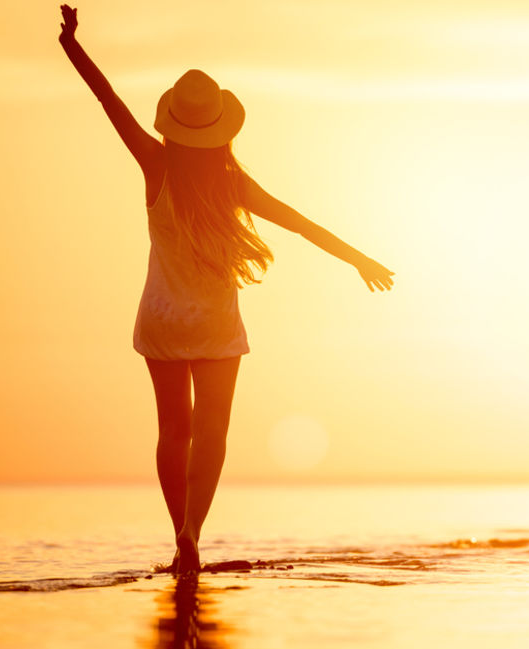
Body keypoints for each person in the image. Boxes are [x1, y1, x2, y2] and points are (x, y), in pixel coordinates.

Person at [58, 5, 395, 575]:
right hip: (215, 325)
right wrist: (357, 258)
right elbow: (299, 221)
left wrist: (72, 45)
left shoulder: (156, 164)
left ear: (174, 121)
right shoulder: (232, 181)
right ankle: (193, 532)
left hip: (163, 318)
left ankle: (178, 535)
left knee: (174, 430)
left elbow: (108, 101)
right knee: (211, 433)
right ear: (219, 126)